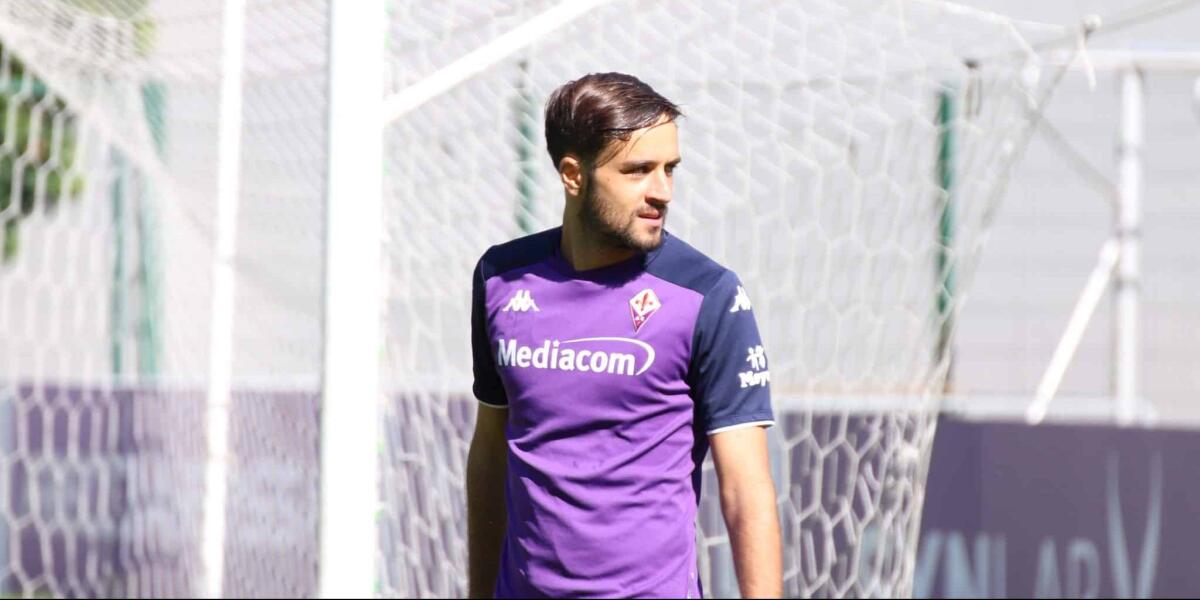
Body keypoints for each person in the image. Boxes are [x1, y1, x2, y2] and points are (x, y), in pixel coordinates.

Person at [466, 72, 782, 599]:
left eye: (670, 169)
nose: (662, 192)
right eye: (638, 171)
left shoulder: (709, 294)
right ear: (573, 175)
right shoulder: (500, 278)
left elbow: (747, 491)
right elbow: (491, 453)